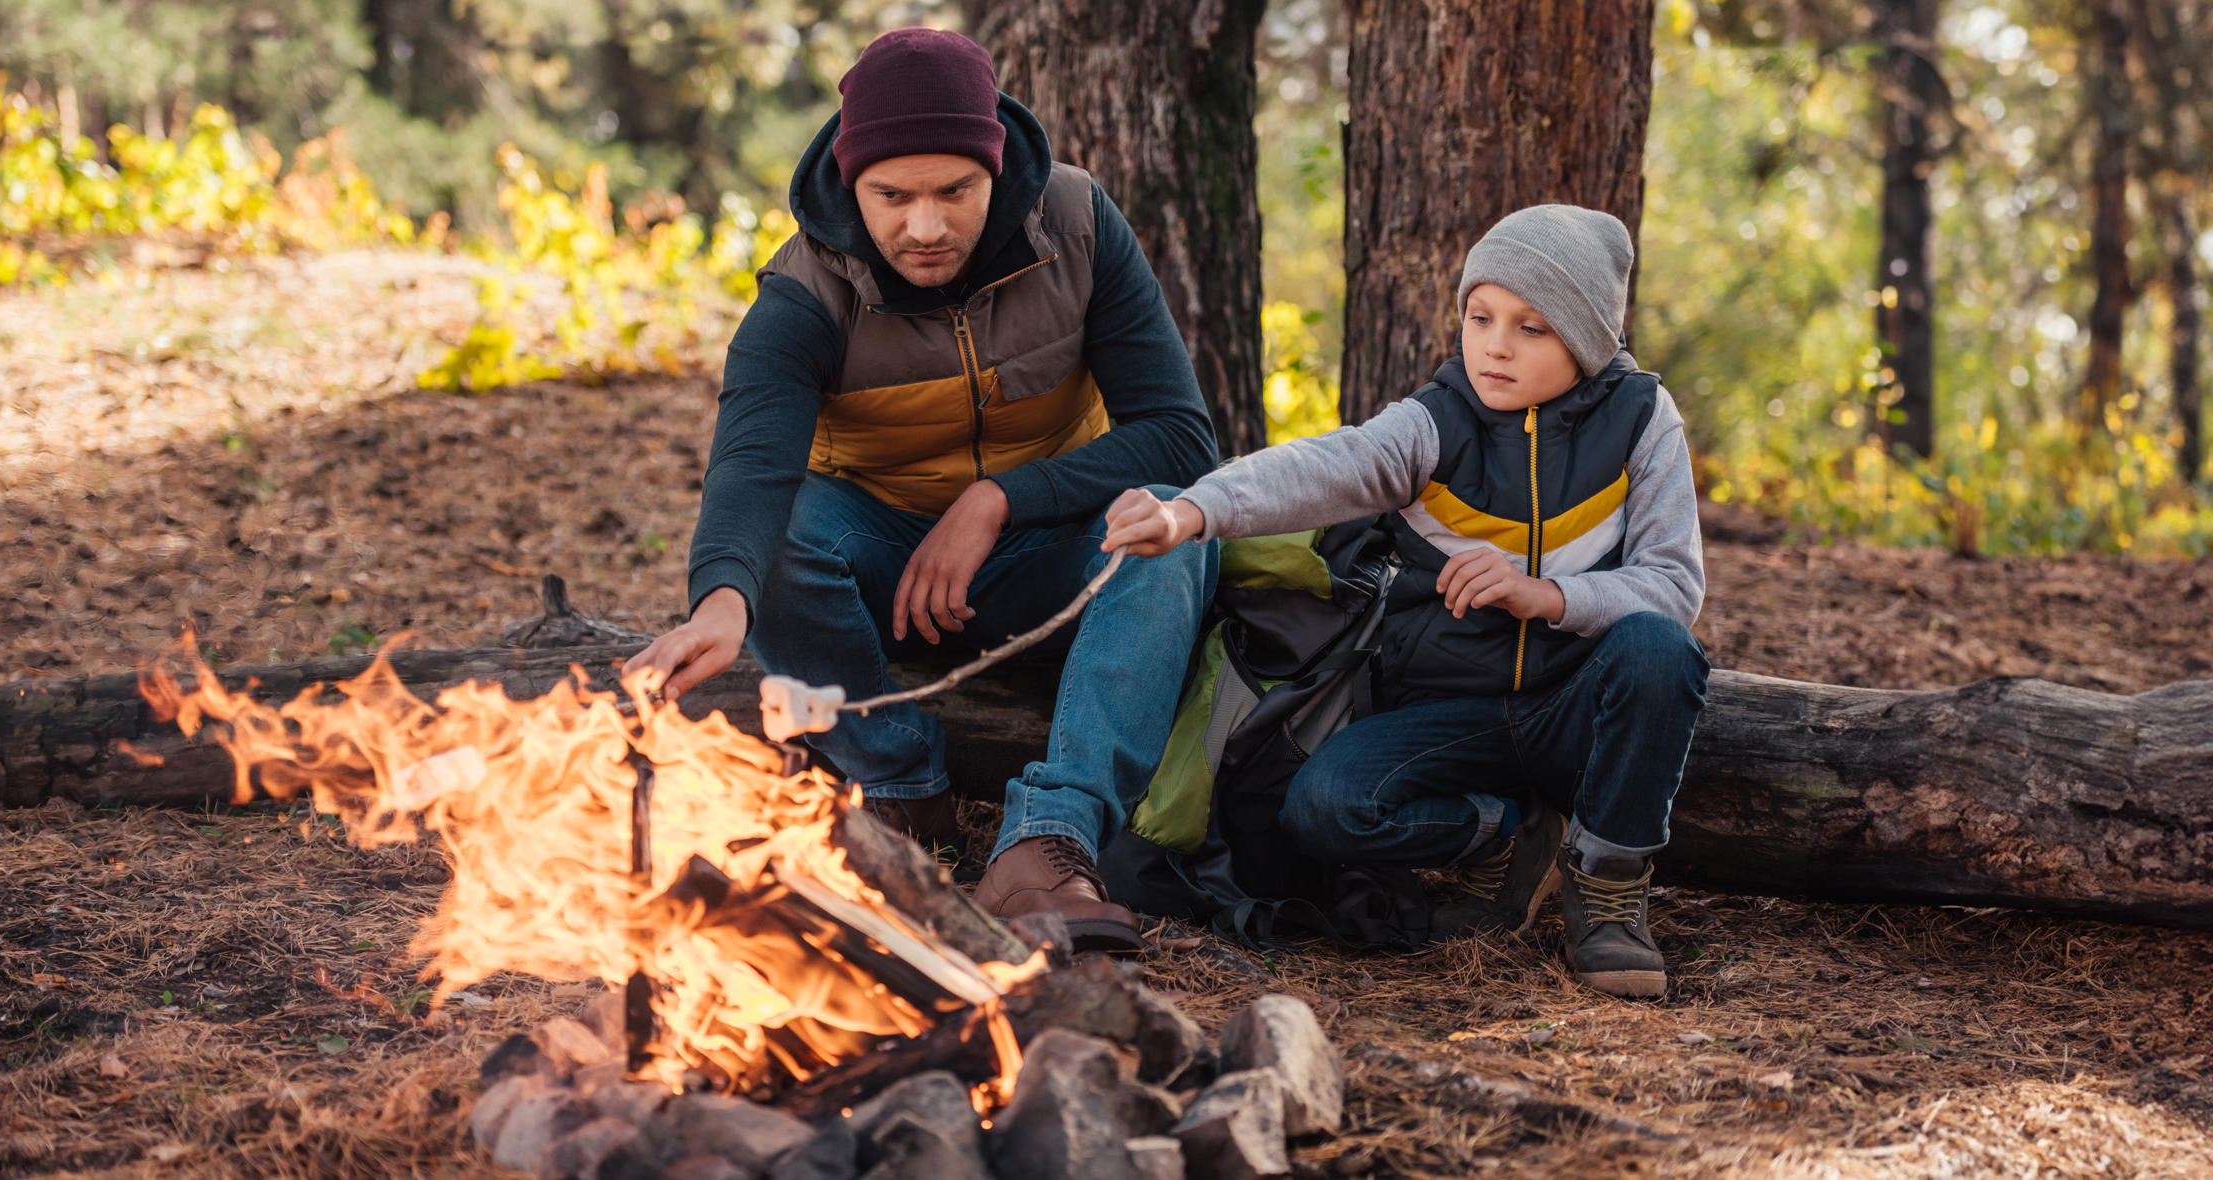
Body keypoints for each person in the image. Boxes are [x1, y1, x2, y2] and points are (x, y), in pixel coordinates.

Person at [624, 28, 1221, 953]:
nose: (926, 227)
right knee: (783, 527)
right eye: (892, 196)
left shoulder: (1078, 224)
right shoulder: (803, 290)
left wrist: (996, 501)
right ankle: (897, 792)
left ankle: (1046, 843)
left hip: (1050, 556)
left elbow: (1179, 434)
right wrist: (723, 600)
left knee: (1175, 522)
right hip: (878, 570)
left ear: (997, 166)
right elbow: (752, 463)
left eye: (956, 191)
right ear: (850, 182)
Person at [1100, 205, 1709, 997]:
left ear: (1588, 339)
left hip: (1577, 709)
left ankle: (1608, 887)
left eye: (1533, 328)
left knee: (1662, 650)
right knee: (1324, 807)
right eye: (1480, 316)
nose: (1495, 344)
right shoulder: (1435, 422)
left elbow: (1673, 587)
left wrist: (1546, 595)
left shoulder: (1641, 420)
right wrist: (1192, 511)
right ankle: (1513, 838)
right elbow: (1324, 466)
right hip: (1450, 715)